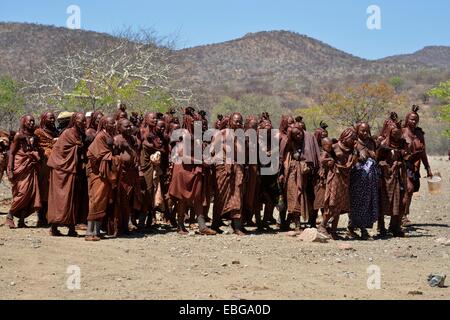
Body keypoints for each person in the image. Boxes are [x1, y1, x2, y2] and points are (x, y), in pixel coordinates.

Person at [169, 108, 216, 235]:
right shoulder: (185, 135)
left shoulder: (197, 136)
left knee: (198, 197)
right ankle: (180, 225)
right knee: (183, 199)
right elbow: (184, 156)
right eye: (195, 122)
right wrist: (201, 161)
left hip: (195, 170)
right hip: (184, 170)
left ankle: (202, 226)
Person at [47, 112, 87, 237]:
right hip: (62, 170)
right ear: (75, 121)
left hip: (72, 170)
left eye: (85, 121)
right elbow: (61, 151)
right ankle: (54, 227)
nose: (84, 123)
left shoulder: (80, 134)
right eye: (82, 121)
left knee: (72, 199)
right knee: (61, 199)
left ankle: (71, 227)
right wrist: (77, 147)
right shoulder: (67, 133)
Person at [318, 127, 359, 239]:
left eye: (355, 139)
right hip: (335, 177)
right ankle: (322, 225)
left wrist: (355, 150)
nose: (353, 141)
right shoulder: (334, 146)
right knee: (332, 203)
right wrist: (329, 161)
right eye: (352, 138)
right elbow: (322, 159)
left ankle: (334, 230)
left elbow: (353, 163)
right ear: (345, 137)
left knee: (339, 205)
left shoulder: (352, 150)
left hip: (345, 179)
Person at [211, 112, 247, 235]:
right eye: (236, 121)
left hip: (237, 167)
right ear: (230, 121)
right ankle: (215, 224)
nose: (238, 123)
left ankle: (237, 226)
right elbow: (211, 150)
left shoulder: (242, 136)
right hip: (223, 167)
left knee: (237, 195)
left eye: (240, 121)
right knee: (220, 196)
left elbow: (243, 153)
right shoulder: (222, 133)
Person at [85, 116, 120, 241]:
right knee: (95, 200)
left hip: (105, 173)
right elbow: (96, 154)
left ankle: (97, 231)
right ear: (105, 124)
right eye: (112, 122)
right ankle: (89, 232)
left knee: (103, 201)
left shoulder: (109, 135)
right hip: (98, 173)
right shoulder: (100, 136)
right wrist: (116, 158)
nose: (114, 124)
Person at [5, 115, 41, 229]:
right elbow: (11, 152)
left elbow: (34, 150)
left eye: (33, 121)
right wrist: (10, 169)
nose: (31, 123)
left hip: (30, 167)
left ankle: (21, 220)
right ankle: (10, 215)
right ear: (24, 122)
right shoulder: (19, 136)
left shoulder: (35, 137)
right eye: (29, 121)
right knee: (22, 192)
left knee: (30, 194)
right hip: (20, 166)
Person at [108, 118, 141, 236]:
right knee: (121, 201)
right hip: (122, 175)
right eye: (126, 126)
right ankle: (118, 227)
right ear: (119, 127)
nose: (129, 128)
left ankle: (127, 225)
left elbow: (136, 152)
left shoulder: (133, 139)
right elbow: (113, 157)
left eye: (130, 126)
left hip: (132, 174)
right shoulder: (116, 140)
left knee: (130, 202)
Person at [377, 119, 409, 237]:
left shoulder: (402, 143)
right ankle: (381, 227)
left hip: (397, 176)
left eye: (398, 133)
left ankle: (394, 226)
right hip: (385, 177)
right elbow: (377, 159)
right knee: (383, 201)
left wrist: (400, 162)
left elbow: (406, 157)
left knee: (400, 201)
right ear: (390, 133)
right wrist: (384, 164)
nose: (397, 136)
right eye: (394, 133)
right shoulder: (384, 144)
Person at [402, 105, 432, 226]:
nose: (414, 121)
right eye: (411, 119)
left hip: (414, 166)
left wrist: (428, 168)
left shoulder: (419, 134)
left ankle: (404, 215)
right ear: (407, 120)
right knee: (407, 189)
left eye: (416, 120)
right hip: (402, 165)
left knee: (410, 191)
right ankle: (401, 216)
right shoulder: (402, 132)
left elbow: (423, 152)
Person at [348, 122, 379, 240]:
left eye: (367, 131)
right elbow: (350, 157)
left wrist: (372, 154)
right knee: (356, 203)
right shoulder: (354, 142)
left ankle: (361, 228)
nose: (365, 133)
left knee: (367, 204)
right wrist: (357, 156)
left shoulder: (371, 142)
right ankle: (357, 228)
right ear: (357, 131)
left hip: (370, 179)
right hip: (357, 178)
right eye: (362, 131)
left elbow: (376, 156)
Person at [34, 111, 59, 227]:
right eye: (50, 118)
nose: (52, 120)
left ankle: (50, 217)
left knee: (51, 191)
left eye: (53, 118)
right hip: (43, 166)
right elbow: (38, 147)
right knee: (43, 190)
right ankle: (41, 218)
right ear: (44, 119)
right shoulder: (39, 132)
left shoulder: (55, 132)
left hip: (54, 165)